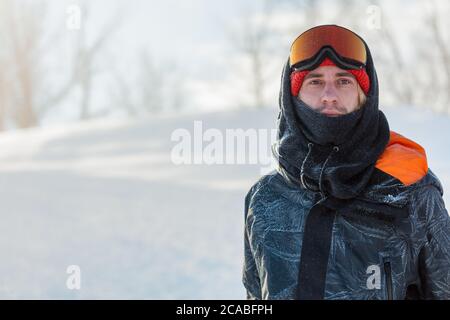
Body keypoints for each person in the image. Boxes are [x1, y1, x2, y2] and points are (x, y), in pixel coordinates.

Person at [242, 24, 450, 300]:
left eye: (343, 81)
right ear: (292, 96)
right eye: (315, 81)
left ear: (365, 96)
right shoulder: (264, 199)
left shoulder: (410, 190)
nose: (329, 95)